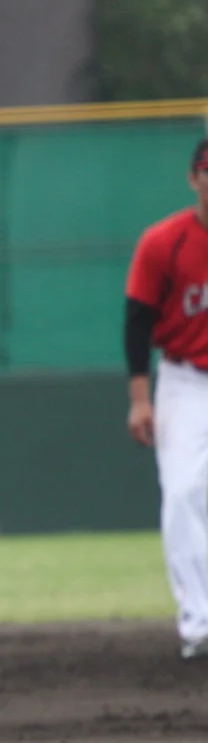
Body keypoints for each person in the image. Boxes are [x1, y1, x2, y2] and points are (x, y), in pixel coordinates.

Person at [123, 139, 208, 661]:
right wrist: (139, 398)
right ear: (194, 178)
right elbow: (137, 321)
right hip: (184, 381)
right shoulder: (164, 242)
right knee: (181, 493)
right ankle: (199, 623)